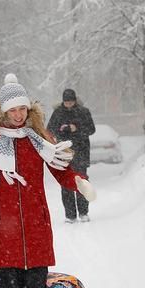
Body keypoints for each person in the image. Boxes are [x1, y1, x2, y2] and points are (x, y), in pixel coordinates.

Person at [0, 74, 96, 288]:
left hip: (35, 224)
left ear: (28, 110)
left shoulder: (39, 138)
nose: (18, 115)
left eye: (22, 109)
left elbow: (59, 168)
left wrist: (77, 181)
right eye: (13, 110)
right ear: (3, 111)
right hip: (4, 226)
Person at [47, 88, 97, 223]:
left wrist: (76, 129)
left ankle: (83, 212)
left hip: (81, 151)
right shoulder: (57, 113)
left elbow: (91, 129)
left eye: (70, 102)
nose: (68, 105)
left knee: (82, 182)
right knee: (66, 184)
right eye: (66, 102)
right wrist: (61, 132)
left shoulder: (84, 112)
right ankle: (70, 215)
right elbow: (49, 130)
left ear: (75, 101)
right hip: (64, 154)